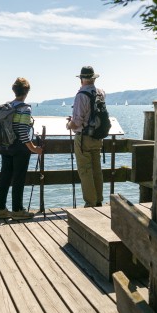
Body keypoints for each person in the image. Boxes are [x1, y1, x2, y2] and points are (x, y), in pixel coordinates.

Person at [0, 77, 42, 220]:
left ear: (14, 91)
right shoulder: (25, 108)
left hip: (6, 146)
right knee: (18, 179)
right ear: (27, 92)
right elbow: (22, 131)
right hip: (20, 148)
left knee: (5, 178)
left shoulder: (7, 106)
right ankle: (17, 210)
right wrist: (33, 148)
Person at [66, 66, 105, 207]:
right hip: (97, 137)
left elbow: (77, 122)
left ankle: (90, 203)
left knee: (85, 171)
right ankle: (99, 199)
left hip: (84, 138)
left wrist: (68, 125)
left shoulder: (81, 95)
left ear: (82, 79)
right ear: (94, 78)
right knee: (96, 170)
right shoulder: (101, 93)